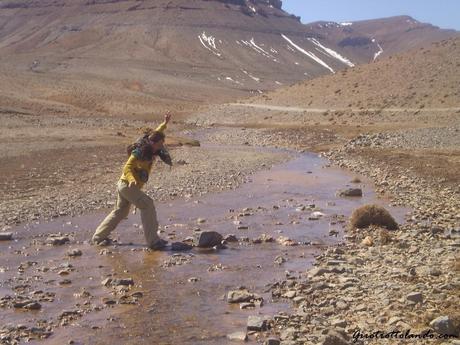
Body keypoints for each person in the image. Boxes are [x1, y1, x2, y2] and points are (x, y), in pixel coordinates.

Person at [91, 113, 172, 249]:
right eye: (160, 144)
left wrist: (165, 123)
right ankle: (153, 241)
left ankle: (98, 237)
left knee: (121, 212)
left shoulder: (152, 143)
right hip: (128, 185)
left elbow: (157, 131)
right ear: (153, 143)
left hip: (124, 186)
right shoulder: (139, 152)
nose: (161, 147)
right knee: (148, 205)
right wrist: (132, 179)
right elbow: (127, 167)